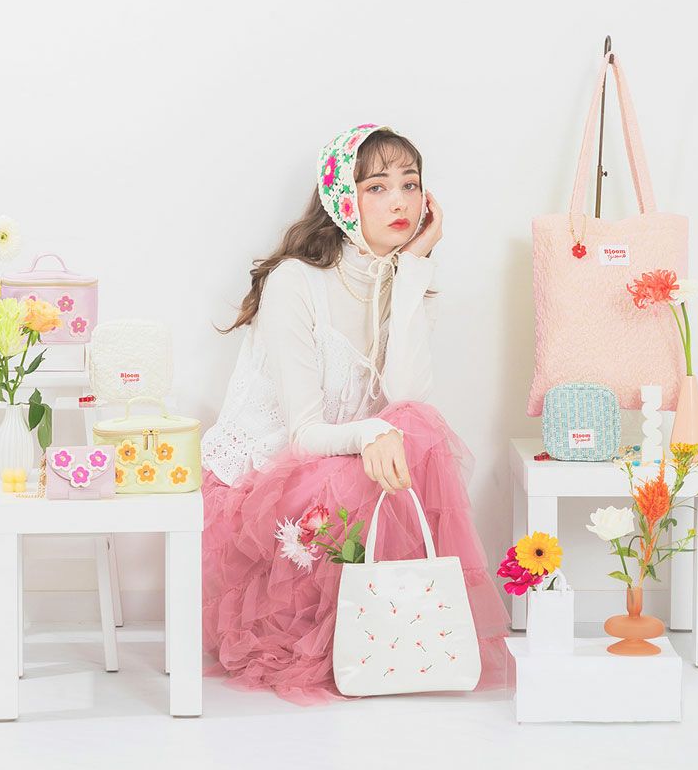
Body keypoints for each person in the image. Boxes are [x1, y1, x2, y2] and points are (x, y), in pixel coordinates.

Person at [201, 124, 510, 704]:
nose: (399, 202)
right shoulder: (295, 282)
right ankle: (369, 629)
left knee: (417, 427)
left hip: (343, 471)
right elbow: (302, 436)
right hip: (268, 489)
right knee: (397, 435)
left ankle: (396, 624)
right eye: (377, 187)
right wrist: (372, 431)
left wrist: (414, 268)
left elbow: (408, 397)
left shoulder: (400, 280)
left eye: (411, 185)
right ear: (344, 199)